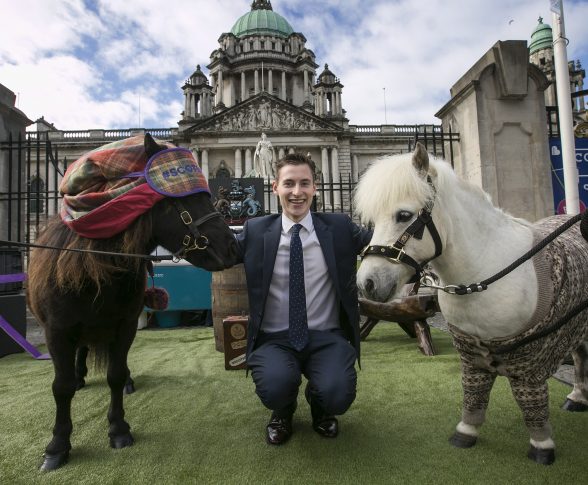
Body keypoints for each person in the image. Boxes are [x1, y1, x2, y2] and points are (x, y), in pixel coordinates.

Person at [235, 152, 372, 445]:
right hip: (274, 338)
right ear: (275, 187)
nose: (297, 192)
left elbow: (382, 240)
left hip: (327, 335)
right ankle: (282, 410)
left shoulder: (340, 227)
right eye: (289, 184)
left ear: (315, 187)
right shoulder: (256, 230)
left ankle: (320, 403)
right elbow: (217, 253)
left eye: (304, 183)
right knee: (275, 387)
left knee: (337, 395)